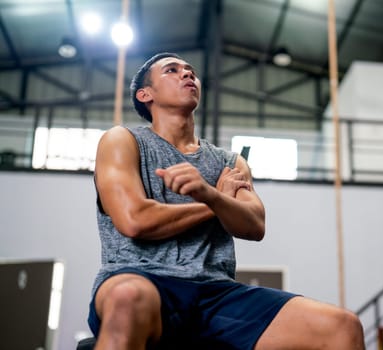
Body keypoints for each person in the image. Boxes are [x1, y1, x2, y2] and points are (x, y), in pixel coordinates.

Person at [87, 52, 364, 350]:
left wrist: (210, 193)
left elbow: (255, 225)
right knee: (127, 297)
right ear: (146, 94)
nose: (187, 75)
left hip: (216, 293)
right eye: (172, 70)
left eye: (191, 71)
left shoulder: (229, 161)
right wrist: (214, 201)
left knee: (343, 327)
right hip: (141, 280)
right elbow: (134, 220)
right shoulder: (122, 140)